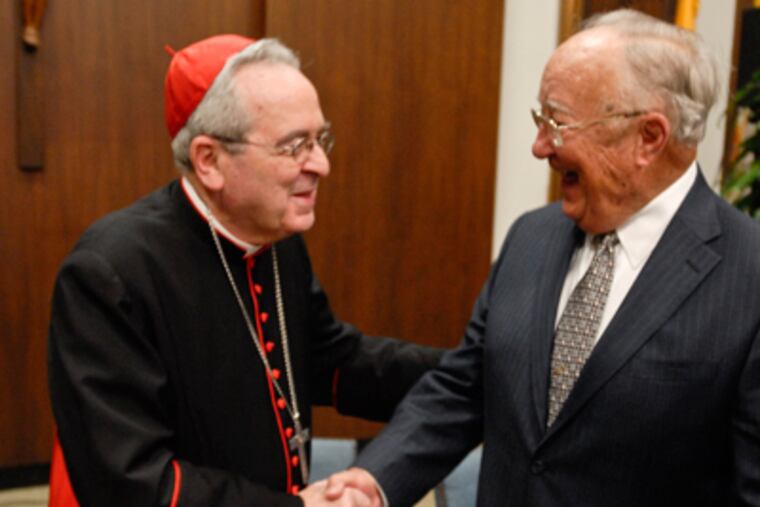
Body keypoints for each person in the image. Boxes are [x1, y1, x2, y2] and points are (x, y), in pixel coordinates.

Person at [325, 9, 760, 507]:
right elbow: (466, 387)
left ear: (649, 138)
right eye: (541, 119)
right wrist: (374, 480)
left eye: (557, 121)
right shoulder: (531, 237)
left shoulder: (748, 278)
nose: (539, 146)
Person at [47, 35, 444, 506]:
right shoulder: (110, 274)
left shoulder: (274, 237)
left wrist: (470, 374)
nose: (321, 164)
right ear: (209, 160)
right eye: (295, 146)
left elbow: (332, 362)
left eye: (321, 139)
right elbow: (135, 483)